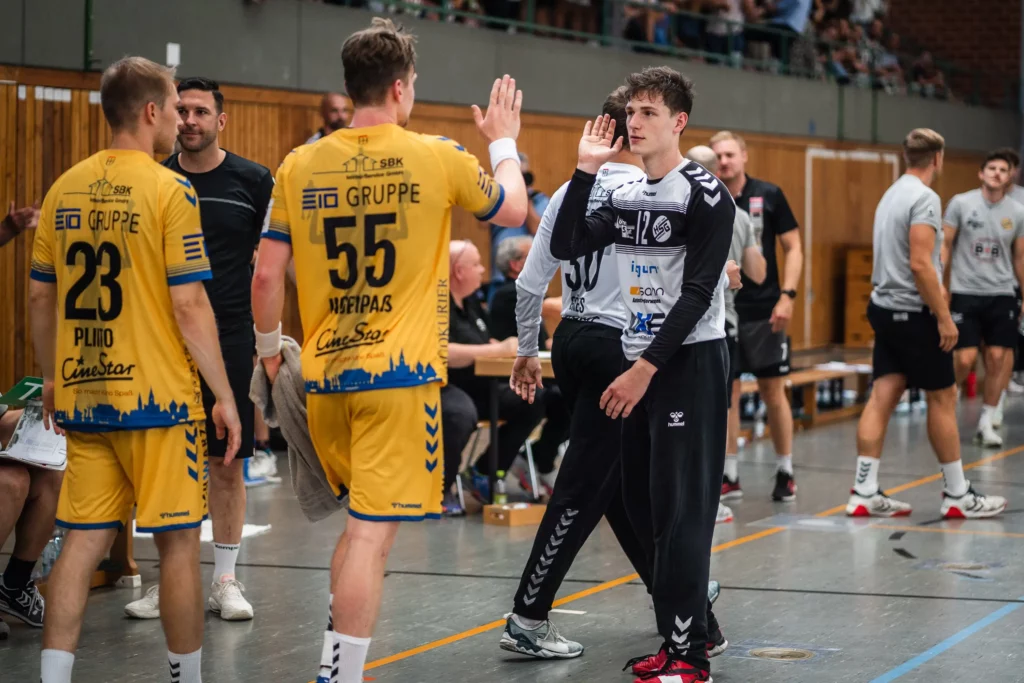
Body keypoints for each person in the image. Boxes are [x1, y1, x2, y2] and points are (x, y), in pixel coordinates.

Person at [249, 19, 528, 683]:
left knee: (358, 530)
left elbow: (264, 276)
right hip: (399, 381)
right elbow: (514, 210)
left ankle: (339, 660)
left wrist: (268, 351)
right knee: (372, 537)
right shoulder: (435, 154)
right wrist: (503, 140)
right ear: (401, 87)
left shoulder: (299, 163)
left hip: (325, 377)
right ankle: (339, 674)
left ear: (352, 87)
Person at [29, 56, 241, 683]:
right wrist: (224, 395)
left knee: (81, 541)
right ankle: (186, 678)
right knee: (177, 546)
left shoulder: (63, 188)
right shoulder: (170, 190)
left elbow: (39, 295)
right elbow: (189, 303)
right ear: (151, 111)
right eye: (175, 107)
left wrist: (52, 376)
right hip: (158, 403)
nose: (179, 119)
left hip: (84, 393)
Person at [502, 86, 727, 662]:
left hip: (578, 341)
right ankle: (530, 613)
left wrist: (527, 348)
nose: (638, 123)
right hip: (621, 347)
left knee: (626, 492)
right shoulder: (633, 189)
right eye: (633, 114)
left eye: (648, 113)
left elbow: (532, 280)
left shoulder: (576, 192)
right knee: (595, 487)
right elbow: (691, 286)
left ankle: (690, 616)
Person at [122, 76, 274, 622]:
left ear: (220, 121)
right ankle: (171, 577)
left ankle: (225, 580)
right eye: (181, 110)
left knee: (226, 461)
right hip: (163, 338)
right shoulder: (157, 179)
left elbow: (271, 264)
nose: (189, 120)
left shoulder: (254, 180)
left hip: (229, 335)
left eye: (200, 112)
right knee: (166, 461)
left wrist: (268, 342)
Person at [845, 128, 1006, 520]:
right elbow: (920, 264)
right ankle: (957, 494)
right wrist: (944, 318)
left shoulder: (891, 194)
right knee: (943, 396)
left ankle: (863, 491)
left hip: (884, 308)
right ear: (938, 158)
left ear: (907, 157)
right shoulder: (925, 198)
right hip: (912, 313)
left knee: (884, 393)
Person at [711, 130, 802, 502]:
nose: (724, 162)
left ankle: (786, 470)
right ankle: (730, 473)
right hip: (722, 311)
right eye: (718, 156)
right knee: (728, 393)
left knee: (772, 390)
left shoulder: (768, 194)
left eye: (730, 154)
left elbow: (793, 247)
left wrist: (788, 296)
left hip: (765, 309)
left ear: (744, 155)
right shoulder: (707, 196)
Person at [447, 239, 567, 500]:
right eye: (477, 265)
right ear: (458, 271)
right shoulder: (505, 294)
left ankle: (532, 460)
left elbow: (490, 341)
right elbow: (448, 350)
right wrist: (500, 348)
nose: (483, 270)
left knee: (563, 397)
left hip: (489, 382)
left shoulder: (471, 303)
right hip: (465, 388)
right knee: (534, 398)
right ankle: (486, 470)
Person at [685, 145, 766, 511]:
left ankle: (702, 486)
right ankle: (718, 481)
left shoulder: (669, 205)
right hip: (717, 325)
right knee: (718, 406)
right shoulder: (734, 213)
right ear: (716, 172)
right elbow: (758, 274)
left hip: (669, 321)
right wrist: (750, 237)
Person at [941, 149, 1024, 447]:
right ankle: (945, 403)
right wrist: (939, 282)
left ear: (1010, 176)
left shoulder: (1017, 212)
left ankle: (986, 421)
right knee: (964, 358)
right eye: (991, 168)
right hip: (966, 291)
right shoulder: (961, 204)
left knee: (998, 358)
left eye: (1003, 170)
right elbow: (945, 244)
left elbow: (1020, 257)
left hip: (1001, 293)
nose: (997, 173)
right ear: (981, 173)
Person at [487, 152, 549, 304]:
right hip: (500, 270)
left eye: (523, 175)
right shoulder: (498, 195)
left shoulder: (539, 200)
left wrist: (524, 198)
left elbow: (537, 229)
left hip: (526, 269)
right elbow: (482, 222)